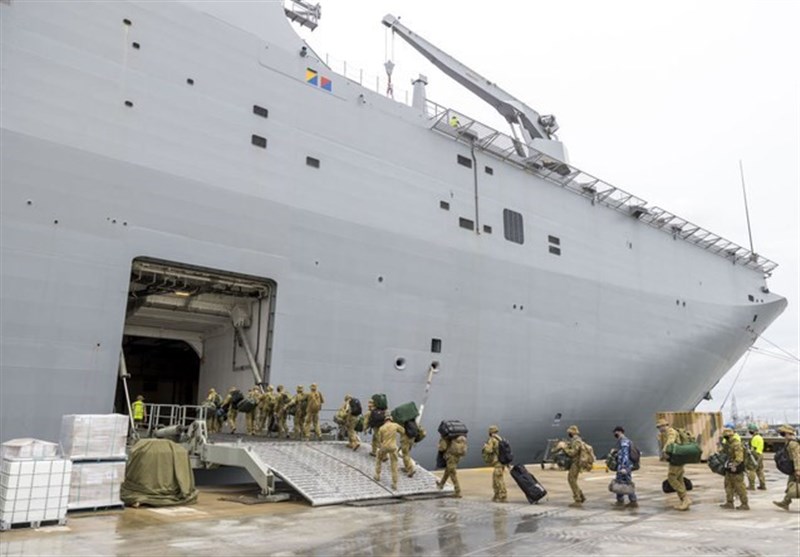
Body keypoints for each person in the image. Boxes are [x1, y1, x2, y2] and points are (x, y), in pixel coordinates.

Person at [657, 417, 691, 511]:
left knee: (671, 477)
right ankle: (684, 501)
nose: (659, 429)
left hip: (676, 459)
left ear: (665, 425)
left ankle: (685, 498)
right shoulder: (668, 433)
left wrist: (665, 451)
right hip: (678, 458)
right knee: (679, 479)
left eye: (660, 427)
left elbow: (670, 441)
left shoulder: (671, 432)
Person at [557, 425, 586, 507]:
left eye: (569, 432)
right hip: (574, 463)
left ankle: (578, 498)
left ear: (572, 432)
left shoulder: (577, 441)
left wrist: (564, 447)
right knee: (572, 479)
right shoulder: (574, 440)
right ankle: (580, 495)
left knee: (571, 479)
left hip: (576, 463)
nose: (568, 433)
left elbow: (572, 453)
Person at [719, 427, 749, 510]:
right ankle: (729, 502)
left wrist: (734, 465)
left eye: (726, 436)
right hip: (729, 466)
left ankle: (744, 504)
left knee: (739, 486)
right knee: (728, 485)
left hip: (736, 468)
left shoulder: (736, 444)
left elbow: (739, 458)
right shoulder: (728, 444)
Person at [374, 415, 405, 491]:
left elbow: (380, 440)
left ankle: (377, 475)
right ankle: (394, 483)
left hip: (384, 447)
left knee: (378, 460)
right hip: (393, 447)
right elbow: (403, 431)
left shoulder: (381, 428)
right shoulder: (395, 425)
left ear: (385, 421)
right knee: (394, 465)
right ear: (391, 420)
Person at [773, 424, 800, 510]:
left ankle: (785, 502)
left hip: (796, 467)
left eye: (783, 433)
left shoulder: (793, 443)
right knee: (791, 485)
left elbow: (797, 457)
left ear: (788, 433)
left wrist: (797, 469)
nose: (782, 435)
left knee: (793, 486)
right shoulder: (790, 442)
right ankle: (785, 502)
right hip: (793, 468)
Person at [611, 426, 638, 509]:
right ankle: (620, 499)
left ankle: (633, 500)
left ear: (620, 432)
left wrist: (624, 467)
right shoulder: (621, 441)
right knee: (619, 482)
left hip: (625, 466)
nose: (615, 434)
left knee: (627, 482)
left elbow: (625, 455)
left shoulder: (624, 441)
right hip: (622, 465)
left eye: (616, 432)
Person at [437, 434, 467, 498]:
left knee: (452, 473)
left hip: (451, 457)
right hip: (457, 456)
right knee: (447, 471)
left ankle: (457, 491)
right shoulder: (460, 437)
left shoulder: (446, 437)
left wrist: (439, 446)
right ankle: (441, 484)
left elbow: (442, 448)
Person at [483, 425, 508, 502]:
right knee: (496, 480)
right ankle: (497, 495)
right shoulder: (500, 439)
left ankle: (502, 496)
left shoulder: (492, 440)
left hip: (497, 463)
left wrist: (485, 446)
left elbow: (489, 450)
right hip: (501, 463)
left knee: (498, 480)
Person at [746, 423, 767, 491]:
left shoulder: (755, 438)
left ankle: (751, 486)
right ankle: (762, 485)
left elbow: (753, 448)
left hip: (755, 455)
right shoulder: (760, 437)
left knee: (751, 470)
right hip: (760, 454)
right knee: (760, 470)